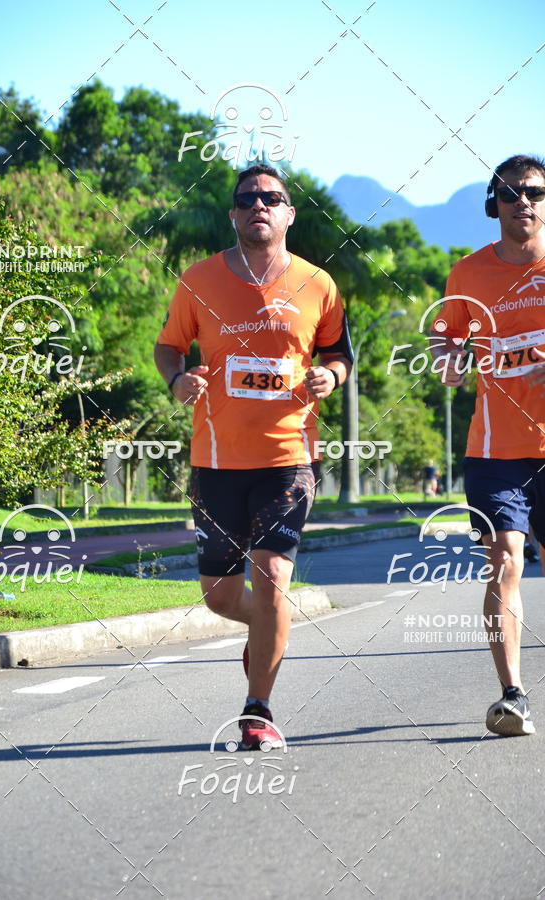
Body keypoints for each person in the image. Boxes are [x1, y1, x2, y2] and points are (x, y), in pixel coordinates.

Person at [154, 164, 353, 749]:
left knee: (270, 581)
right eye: (247, 199)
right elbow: (168, 347)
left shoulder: (318, 283)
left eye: (271, 198)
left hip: (290, 457)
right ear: (233, 215)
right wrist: (177, 380)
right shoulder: (199, 280)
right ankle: (268, 627)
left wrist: (330, 377)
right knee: (219, 596)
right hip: (216, 460)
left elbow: (339, 353)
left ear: (289, 213)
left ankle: (257, 710)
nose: (258, 206)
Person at [430, 154, 545, 736]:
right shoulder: (467, 274)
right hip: (496, 450)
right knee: (504, 562)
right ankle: (513, 695)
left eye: (535, 192)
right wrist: (448, 360)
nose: (523, 201)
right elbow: (444, 338)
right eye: (510, 192)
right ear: (492, 205)